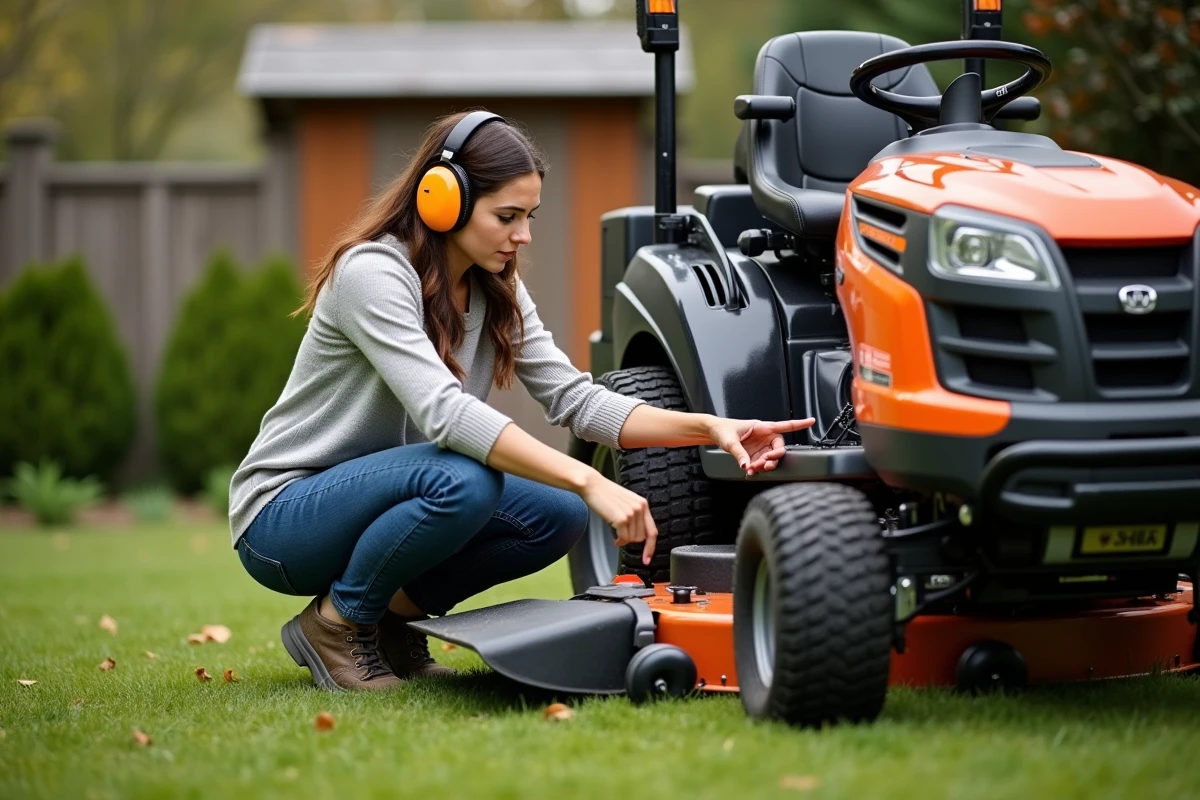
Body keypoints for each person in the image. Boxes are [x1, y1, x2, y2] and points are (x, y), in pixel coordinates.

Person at [228, 109, 814, 692]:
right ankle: (336, 624)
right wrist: (589, 479)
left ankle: (389, 622)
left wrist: (711, 427)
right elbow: (446, 414)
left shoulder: (495, 284)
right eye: (507, 217)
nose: (524, 235)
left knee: (556, 516)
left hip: (384, 496)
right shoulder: (373, 273)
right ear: (442, 200)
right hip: (284, 518)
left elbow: (577, 400)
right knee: (464, 480)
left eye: (529, 217)